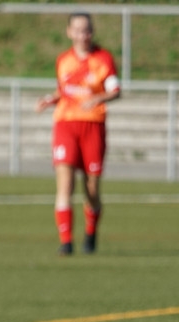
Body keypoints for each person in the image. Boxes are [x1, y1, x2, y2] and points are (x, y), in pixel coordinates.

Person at [36, 12, 120, 256]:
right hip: (65, 124)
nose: (83, 35)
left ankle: (90, 234)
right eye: (78, 30)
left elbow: (115, 90)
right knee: (65, 183)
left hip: (93, 125)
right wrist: (49, 100)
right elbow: (63, 91)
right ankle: (66, 242)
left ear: (92, 32)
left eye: (86, 30)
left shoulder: (103, 59)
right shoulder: (63, 60)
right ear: (69, 32)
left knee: (91, 189)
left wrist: (97, 98)